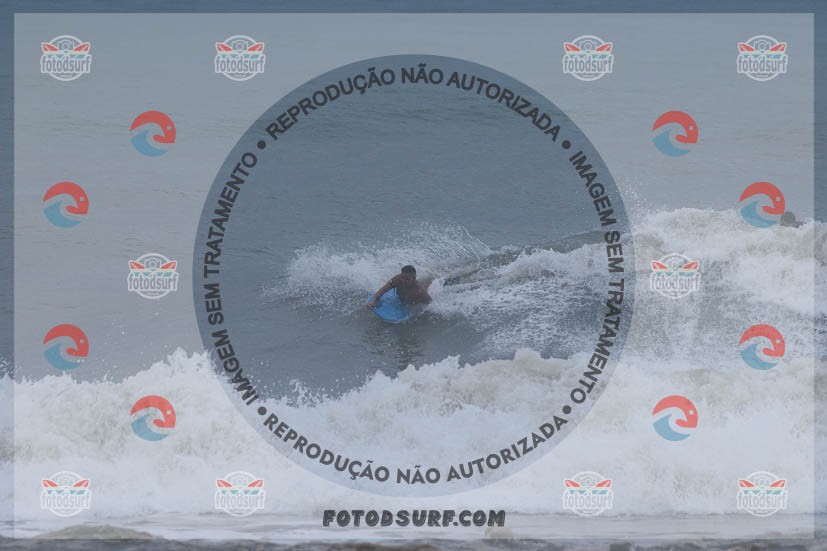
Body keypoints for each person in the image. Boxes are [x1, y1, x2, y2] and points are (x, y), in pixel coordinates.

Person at [365, 265, 432, 309]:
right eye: (402, 277)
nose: (403, 280)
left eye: (407, 279)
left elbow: (430, 302)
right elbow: (383, 289)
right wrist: (374, 301)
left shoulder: (419, 290)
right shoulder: (397, 279)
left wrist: (420, 310)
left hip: (413, 301)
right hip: (402, 299)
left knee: (426, 285)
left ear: (414, 279)